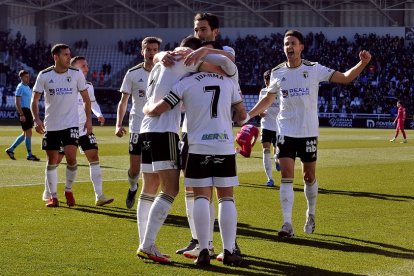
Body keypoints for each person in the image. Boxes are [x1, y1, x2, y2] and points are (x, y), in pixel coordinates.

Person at [241, 30, 371, 237]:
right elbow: (267, 100)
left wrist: (362, 64)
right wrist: (248, 115)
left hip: (308, 132)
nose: (289, 46)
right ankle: (287, 224)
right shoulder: (277, 72)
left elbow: (345, 78)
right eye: (286, 44)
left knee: (308, 176)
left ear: (301, 47)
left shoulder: (314, 69)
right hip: (285, 131)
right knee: (286, 175)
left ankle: (310, 214)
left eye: (292, 43)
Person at [137, 36, 236, 264]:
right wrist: (204, 52)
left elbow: (160, 62)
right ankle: (148, 244)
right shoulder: (187, 58)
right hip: (164, 130)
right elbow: (226, 64)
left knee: (152, 187)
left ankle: (149, 242)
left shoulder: (161, 62)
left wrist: (162, 54)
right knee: (170, 189)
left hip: (147, 131)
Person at [174, 12, 238, 261]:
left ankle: (217, 245)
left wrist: (202, 55)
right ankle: (202, 241)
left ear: (215, 31)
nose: (199, 34)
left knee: (212, 192)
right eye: (196, 29)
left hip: (211, 131)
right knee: (195, 189)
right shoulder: (191, 53)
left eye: (203, 29)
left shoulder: (225, 52)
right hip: (191, 129)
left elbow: (230, 62)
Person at [42, 56, 113, 206]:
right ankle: (49, 191)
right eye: (83, 66)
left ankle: (99, 196)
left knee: (94, 156)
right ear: (74, 68)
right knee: (55, 160)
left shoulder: (89, 86)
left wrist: (98, 114)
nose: (86, 68)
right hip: (66, 128)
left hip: (83, 128)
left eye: (86, 65)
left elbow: (92, 103)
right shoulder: (66, 84)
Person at [31, 43, 92, 208]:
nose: (68, 57)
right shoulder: (44, 75)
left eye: (69, 54)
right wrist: (36, 119)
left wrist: (88, 119)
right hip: (51, 125)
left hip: (71, 124)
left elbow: (86, 99)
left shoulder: (76, 73)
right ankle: (53, 197)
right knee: (52, 161)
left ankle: (68, 189)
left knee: (71, 158)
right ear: (56, 57)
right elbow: (34, 100)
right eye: (65, 54)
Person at [115, 37, 161, 212]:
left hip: (158, 127)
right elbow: (123, 101)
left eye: (155, 49)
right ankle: (133, 187)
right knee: (135, 169)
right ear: (142, 51)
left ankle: (149, 202)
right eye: (148, 49)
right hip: (137, 127)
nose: (151, 53)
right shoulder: (133, 73)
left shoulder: (165, 72)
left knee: (155, 169)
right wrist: (118, 124)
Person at [5, 70, 40, 161]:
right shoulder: (20, 87)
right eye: (25, 77)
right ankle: (29, 154)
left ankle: (11, 149)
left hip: (28, 111)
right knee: (28, 133)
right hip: (24, 111)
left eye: (28, 77)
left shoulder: (27, 87)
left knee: (26, 133)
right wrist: (21, 114)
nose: (28, 78)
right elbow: (17, 102)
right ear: (21, 78)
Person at [258, 69, 280, 187]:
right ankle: (270, 179)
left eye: (269, 82)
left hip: (278, 127)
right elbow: (259, 108)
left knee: (278, 152)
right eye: (266, 82)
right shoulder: (262, 92)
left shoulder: (280, 93)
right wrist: (259, 113)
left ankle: (277, 160)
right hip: (266, 125)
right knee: (265, 150)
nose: (267, 84)